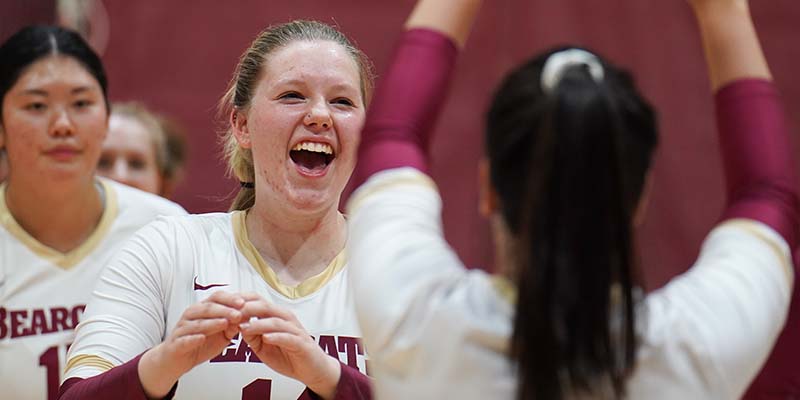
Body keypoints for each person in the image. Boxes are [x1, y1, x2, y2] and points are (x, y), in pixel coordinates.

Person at [346, 0, 797, 399]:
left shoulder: (416, 320)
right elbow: (767, 194)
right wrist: (725, 13)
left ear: (487, 190)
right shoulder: (700, 343)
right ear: (637, 199)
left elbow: (393, 135)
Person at [59, 20, 374, 400]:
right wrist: (165, 363)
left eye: (342, 102)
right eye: (292, 95)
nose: (320, 115)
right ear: (242, 125)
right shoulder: (168, 249)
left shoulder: (396, 268)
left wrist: (328, 376)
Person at [0, 25, 186, 400]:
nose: (63, 125)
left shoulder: (167, 229)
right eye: (36, 105)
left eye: (82, 103)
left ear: (105, 117)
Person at [96, 101, 186, 198]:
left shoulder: (176, 212)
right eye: (103, 162)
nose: (121, 177)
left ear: (163, 183)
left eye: (136, 164)